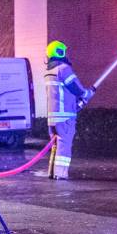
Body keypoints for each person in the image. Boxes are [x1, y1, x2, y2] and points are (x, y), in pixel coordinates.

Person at [43, 40, 94, 180]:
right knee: (64, 146)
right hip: (64, 117)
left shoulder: (50, 71)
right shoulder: (63, 69)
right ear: (60, 52)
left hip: (52, 118)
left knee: (55, 146)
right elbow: (75, 87)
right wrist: (86, 94)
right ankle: (61, 174)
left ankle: (52, 172)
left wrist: (77, 102)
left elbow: (63, 92)